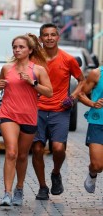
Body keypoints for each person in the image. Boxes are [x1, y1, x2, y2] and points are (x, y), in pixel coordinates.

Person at [0, 33, 52, 206]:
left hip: (28, 115)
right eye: (15, 47)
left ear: (30, 50)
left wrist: (33, 83)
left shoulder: (38, 70)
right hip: (8, 113)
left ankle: (19, 188)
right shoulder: (7, 68)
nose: (17, 50)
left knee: (21, 156)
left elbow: (49, 92)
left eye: (21, 47)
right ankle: (7, 193)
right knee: (11, 152)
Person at [31, 23, 84, 200]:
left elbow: (82, 81)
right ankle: (43, 187)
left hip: (60, 110)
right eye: (45, 35)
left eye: (53, 35)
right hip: (37, 109)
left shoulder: (68, 59)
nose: (49, 38)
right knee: (37, 149)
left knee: (58, 148)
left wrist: (73, 96)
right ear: (40, 38)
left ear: (58, 37)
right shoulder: (34, 59)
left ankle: (56, 173)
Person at [78, 66, 103, 194]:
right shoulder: (97, 73)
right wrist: (93, 104)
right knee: (97, 165)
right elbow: (81, 94)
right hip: (98, 122)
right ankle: (92, 173)